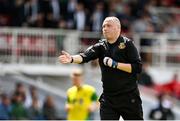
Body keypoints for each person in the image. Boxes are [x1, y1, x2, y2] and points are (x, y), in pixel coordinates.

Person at [59, 16, 143, 120]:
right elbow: (84, 56)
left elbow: (137, 68)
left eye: (108, 26)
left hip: (129, 97)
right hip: (109, 98)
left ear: (118, 28)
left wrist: (115, 64)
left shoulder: (127, 44)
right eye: (103, 26)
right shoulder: (101, 46)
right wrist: (71, 58)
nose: (105, 28)